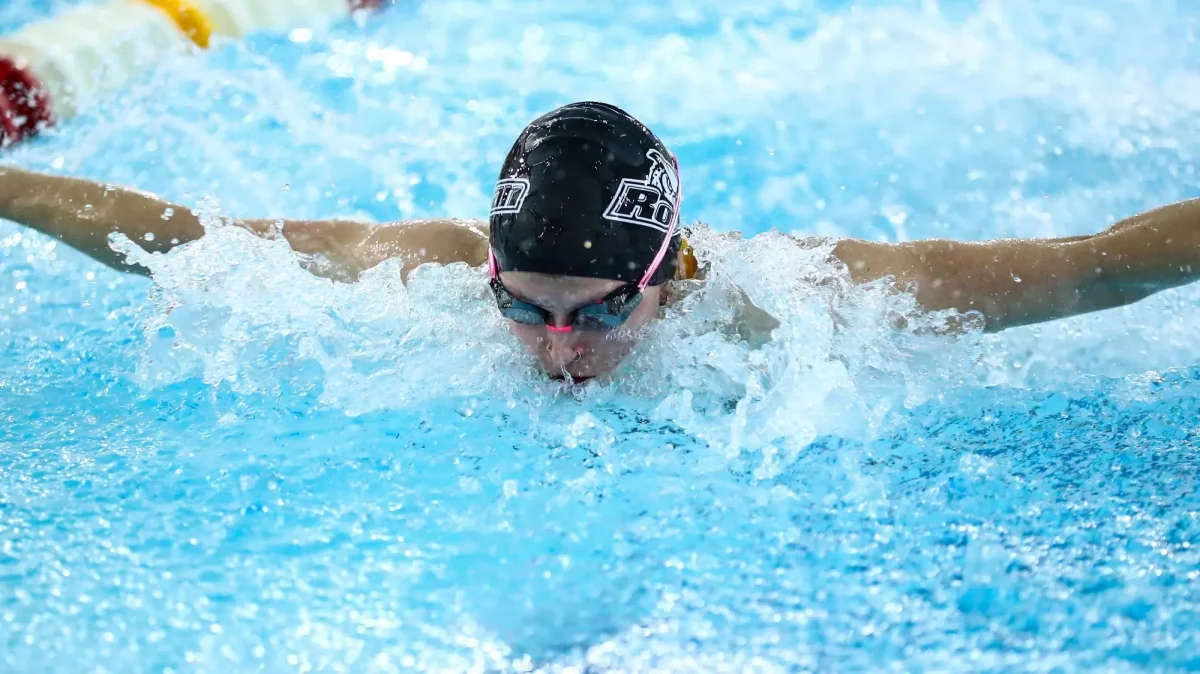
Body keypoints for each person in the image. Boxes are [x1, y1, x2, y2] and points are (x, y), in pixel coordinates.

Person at [0, 101, 1197, 381]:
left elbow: (1092, 265)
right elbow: (188, 239)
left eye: (598, 313)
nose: (558, 353)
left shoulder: (804, 300)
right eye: (523, 307)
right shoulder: (419, 265)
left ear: (666, 270)